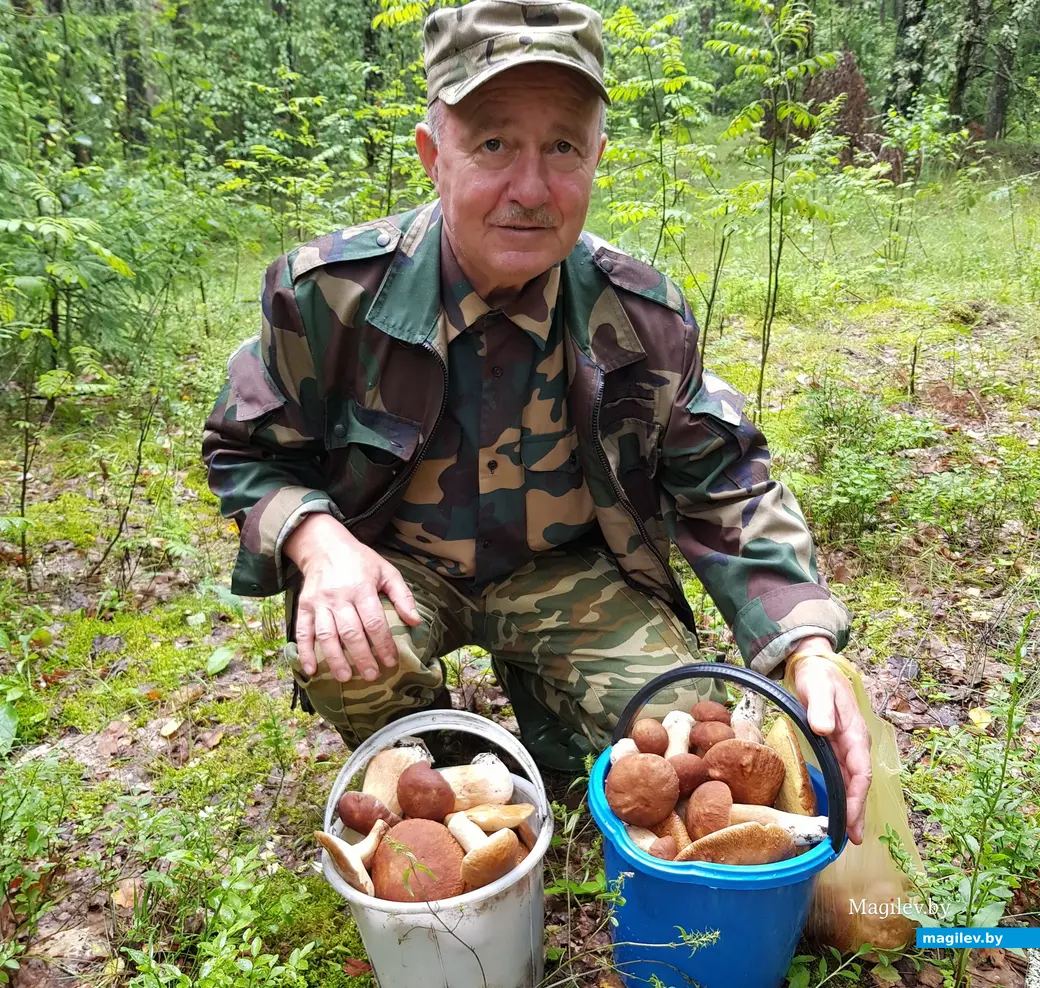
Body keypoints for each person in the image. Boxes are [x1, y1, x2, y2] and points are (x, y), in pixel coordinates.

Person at [202, 0, 871, 842]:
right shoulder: (328, 295)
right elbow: (243, 449)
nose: (530, 187)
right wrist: (314, 539)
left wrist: (806, 645)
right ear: (431, 155)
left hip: (567, 573)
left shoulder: (640, 315)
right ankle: (433, 756)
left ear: (597, 159)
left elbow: (726, 481)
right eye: (492, 143)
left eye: (561, 146)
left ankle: (554, 732)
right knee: (343, 645)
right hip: (401, 572)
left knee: (673, 728)